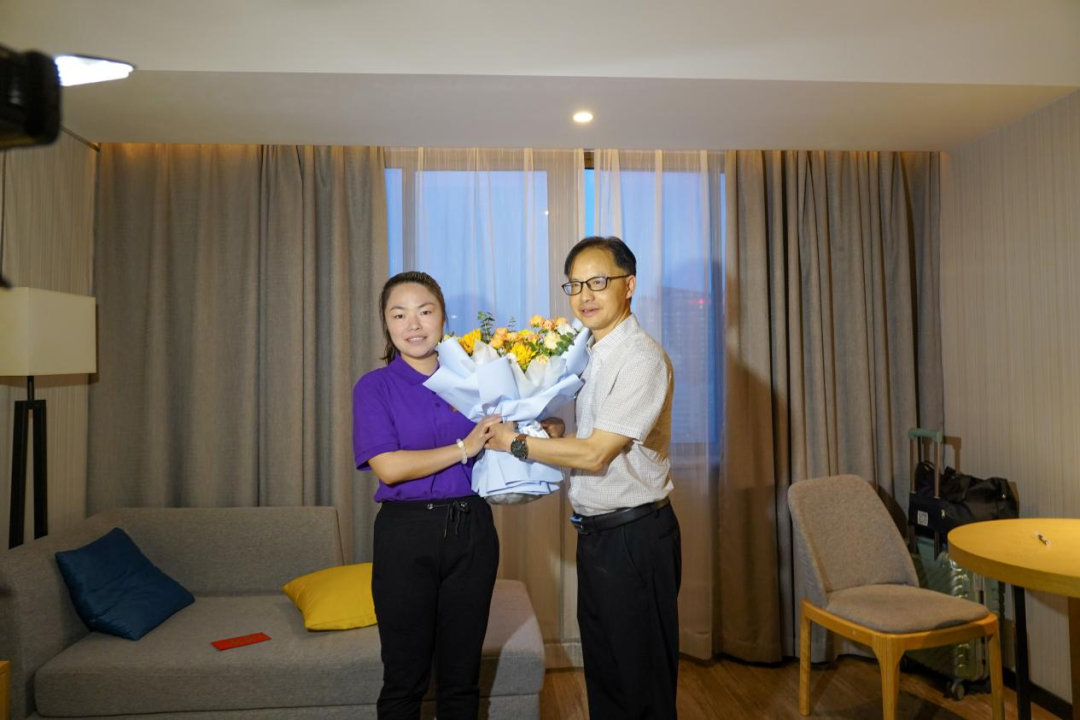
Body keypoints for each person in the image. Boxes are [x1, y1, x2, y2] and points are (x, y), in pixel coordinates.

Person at [490, 236, 680, 719]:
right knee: (607, 674)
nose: (584, 296)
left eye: (597, 282)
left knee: (640, 683)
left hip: (635, 538)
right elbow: (596, 437)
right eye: (574, 285)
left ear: (628, 285)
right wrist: (556, 433)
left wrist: (516, 443)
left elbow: (596, 455)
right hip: (599, 536)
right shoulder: (593, 353)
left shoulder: (640, 358)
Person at [352, 271, 503, 720]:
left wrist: (541, 427)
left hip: (471, 530)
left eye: (424, 311)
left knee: (462, 679)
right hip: (406, 535)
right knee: (404, 680)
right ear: (386, 323)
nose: (413, 325)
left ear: (443, 317)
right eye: (399, 315)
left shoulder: (477, 378)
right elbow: (388, 466)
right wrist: (464, 448)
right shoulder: (374, 387)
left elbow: (506, 437)